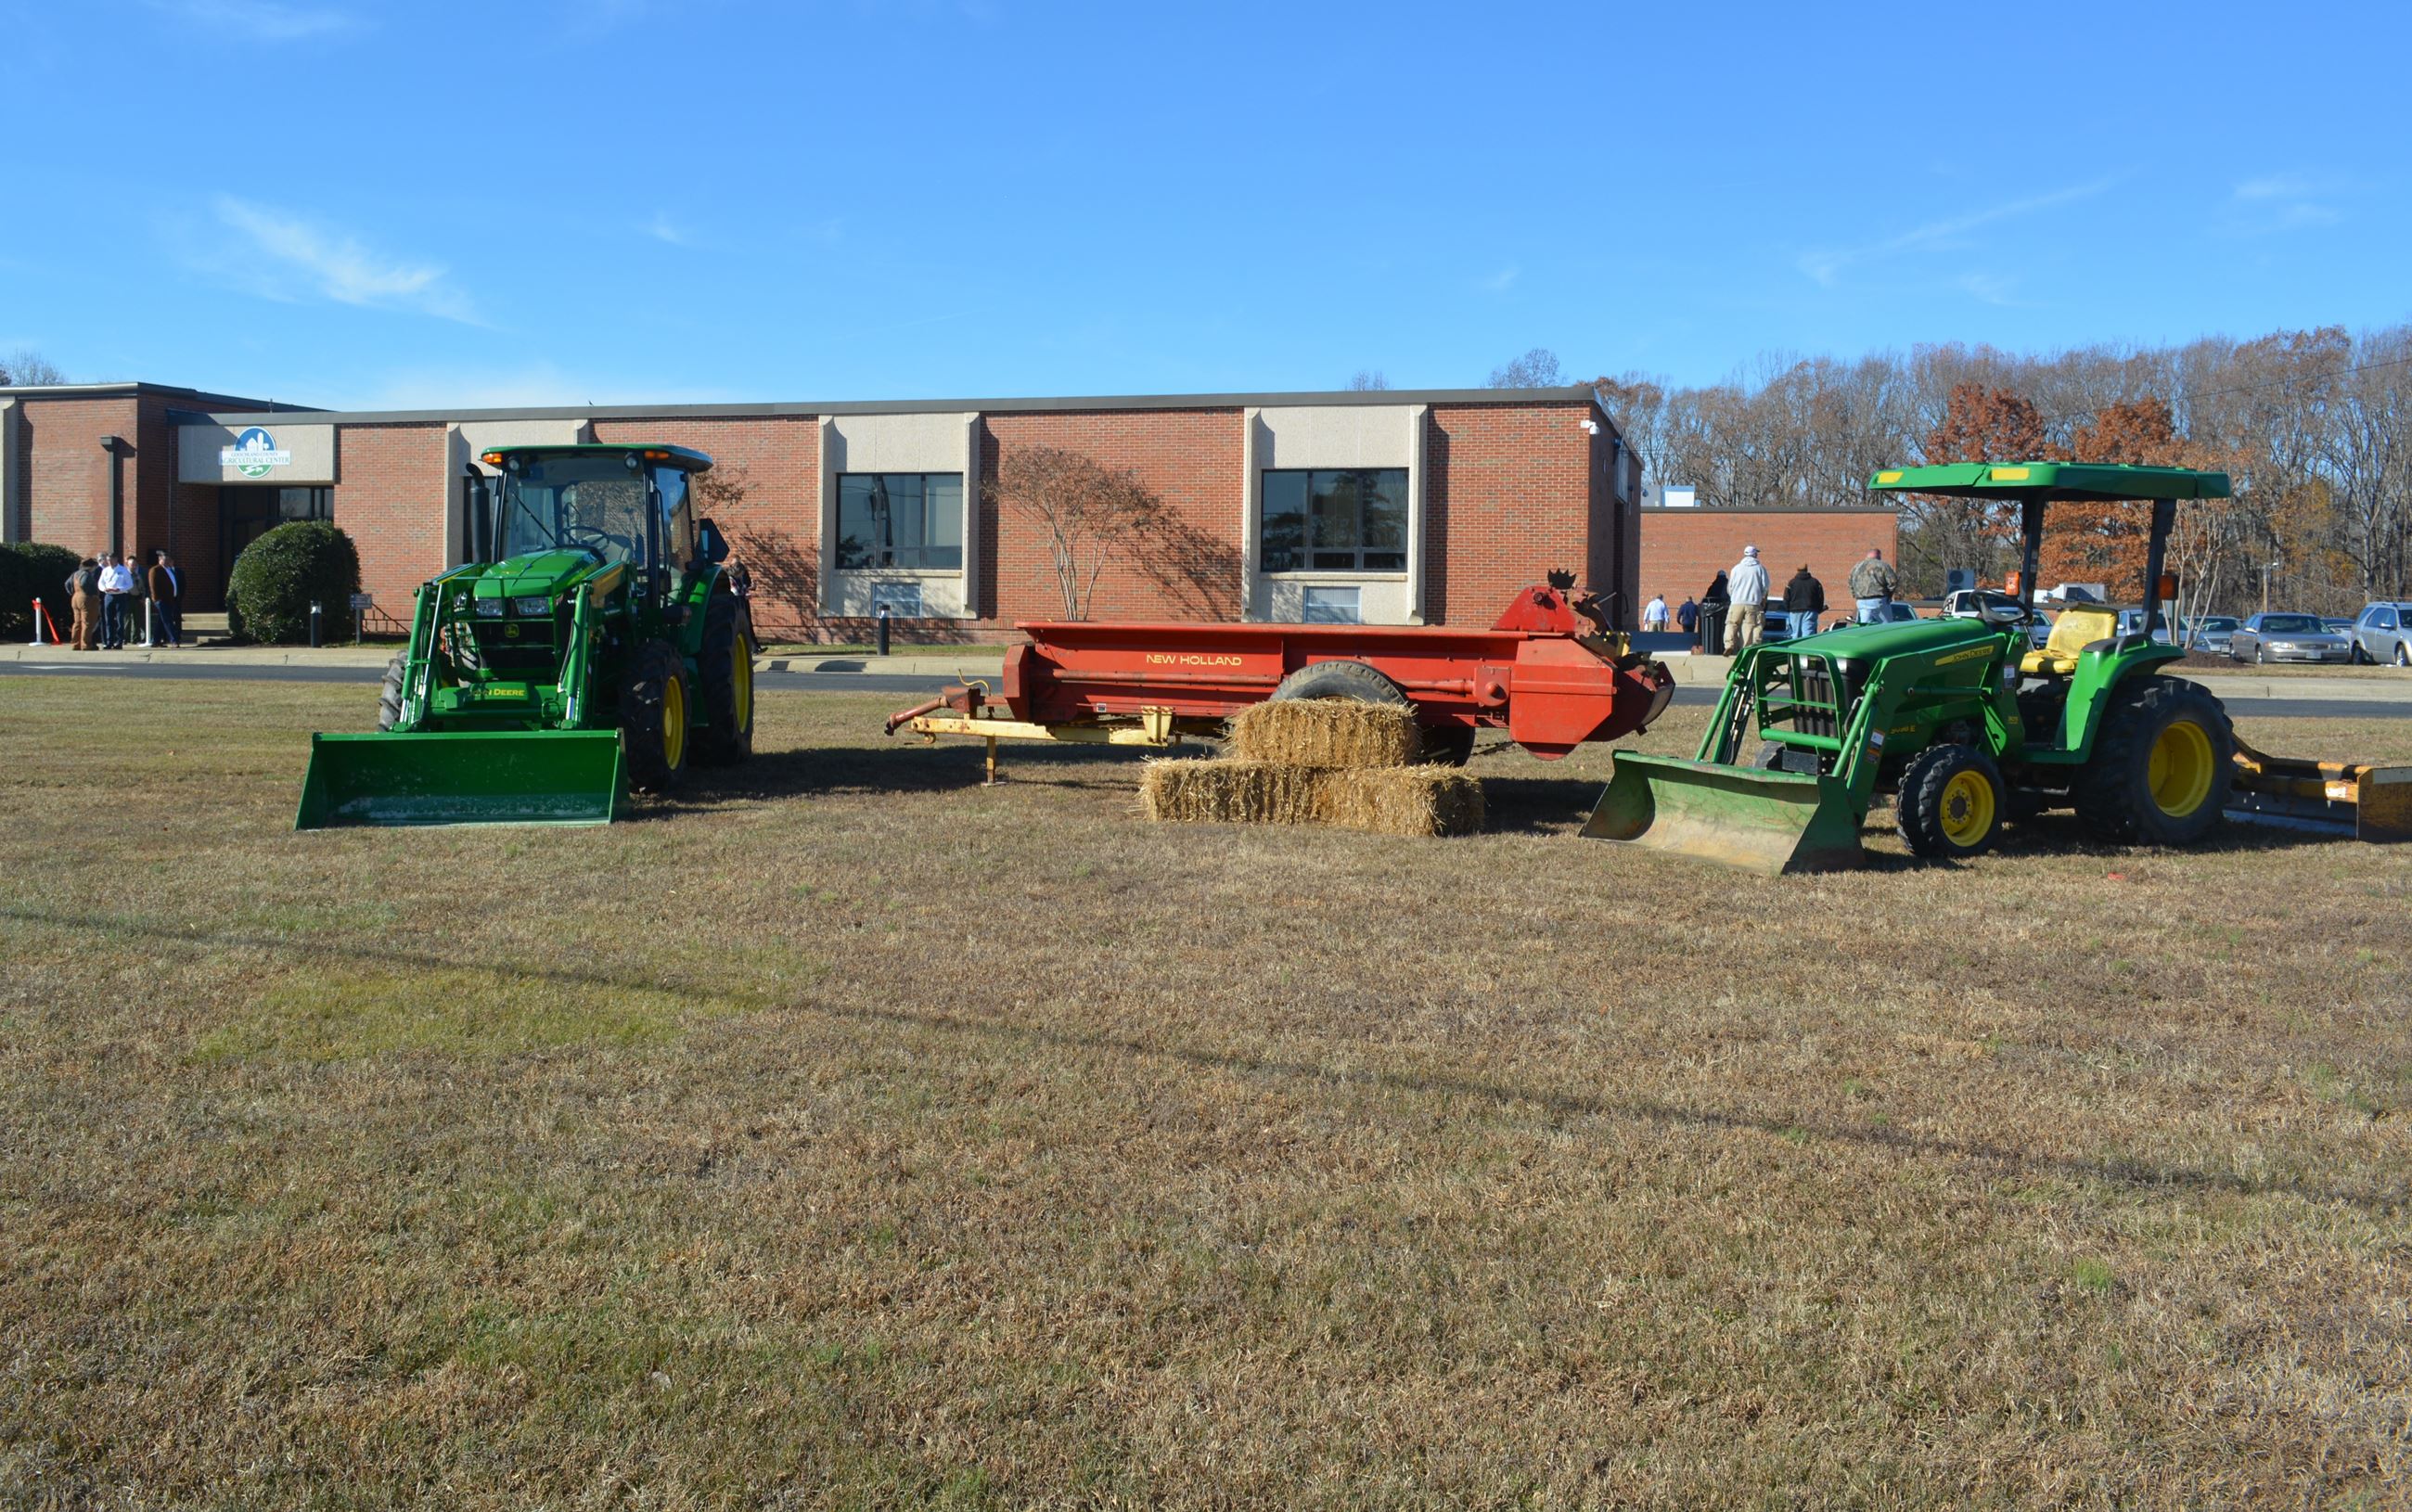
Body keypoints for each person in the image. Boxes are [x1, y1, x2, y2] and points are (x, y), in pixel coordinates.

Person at [1726, 545, 1771, 653]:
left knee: (1731, 624)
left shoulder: (1736, 568)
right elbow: (1765, 586)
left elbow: (1730, 587)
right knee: (1748, 627)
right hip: (1753, 603)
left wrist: (1734, 597)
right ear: (1755, 554)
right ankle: (1745, 649)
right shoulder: (1760, 569)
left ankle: (1729, 644)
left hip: (1736, 602)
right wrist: (1762, 598)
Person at [1849, 547, 1899, 623]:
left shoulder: (1856, 567)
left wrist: (1855, 595)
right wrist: (1889, 595)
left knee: (1865, 627)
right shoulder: (1882, 565)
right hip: (1878, 600)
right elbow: (1893, 581)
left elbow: (1850, 583)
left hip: (1861, 601)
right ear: (1878, 556)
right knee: (1887, 627)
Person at [148, 550, 185, 648]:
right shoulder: (155, 570)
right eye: (165, 560)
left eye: (168, 560)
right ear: (160, 560)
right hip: (161, 600)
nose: (168, 562)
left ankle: (155, 641)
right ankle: (174, 640)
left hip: (171, 600)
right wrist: (156, 599)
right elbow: (153, 586)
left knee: (161, 621)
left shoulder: (170, 570)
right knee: (168, 620)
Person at [97, 552, 134, 648]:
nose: (109, 562)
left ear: (116, 559)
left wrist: (120, 589)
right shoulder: (105, 570)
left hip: (120, 596)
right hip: (108, 596)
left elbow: (130, 584)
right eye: (108, 560)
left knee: (119, 620)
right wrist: (104, 589)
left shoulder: (123, 570)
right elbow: (100, 583)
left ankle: (119, 642)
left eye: (111, 560)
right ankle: (109, 642)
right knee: (108, 620)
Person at [68, 557, 102, 651]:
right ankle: (86, 644)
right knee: (87, 622)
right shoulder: (86, 574)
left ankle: (76, 644)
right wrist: (91, 594)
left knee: (77, 622)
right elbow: (83, 584)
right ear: (90, 566)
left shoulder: (75, 574)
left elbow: (67, 584)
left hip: (75, 597)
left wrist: (72, 592)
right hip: (85, 598)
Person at [1783, 563, 1826, 638]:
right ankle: (1806, 648)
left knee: (1795, 634)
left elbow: (1786, 598)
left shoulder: (1792, 583)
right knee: (1808, 633)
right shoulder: (1815, 582)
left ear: (1797, 570)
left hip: (1794, 611)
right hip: (1810, 610)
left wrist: (1788, 609)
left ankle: (1795, 648)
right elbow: (1820, 597)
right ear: (1807, 569)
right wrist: (1819, 609)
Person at [1699, 571, 1729, 657]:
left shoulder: (1713, 586)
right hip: (1725, 611)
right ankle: (1725, 646)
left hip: (1709, 611)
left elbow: (1707, 597)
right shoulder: (1727, 585)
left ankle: (1711, 648)